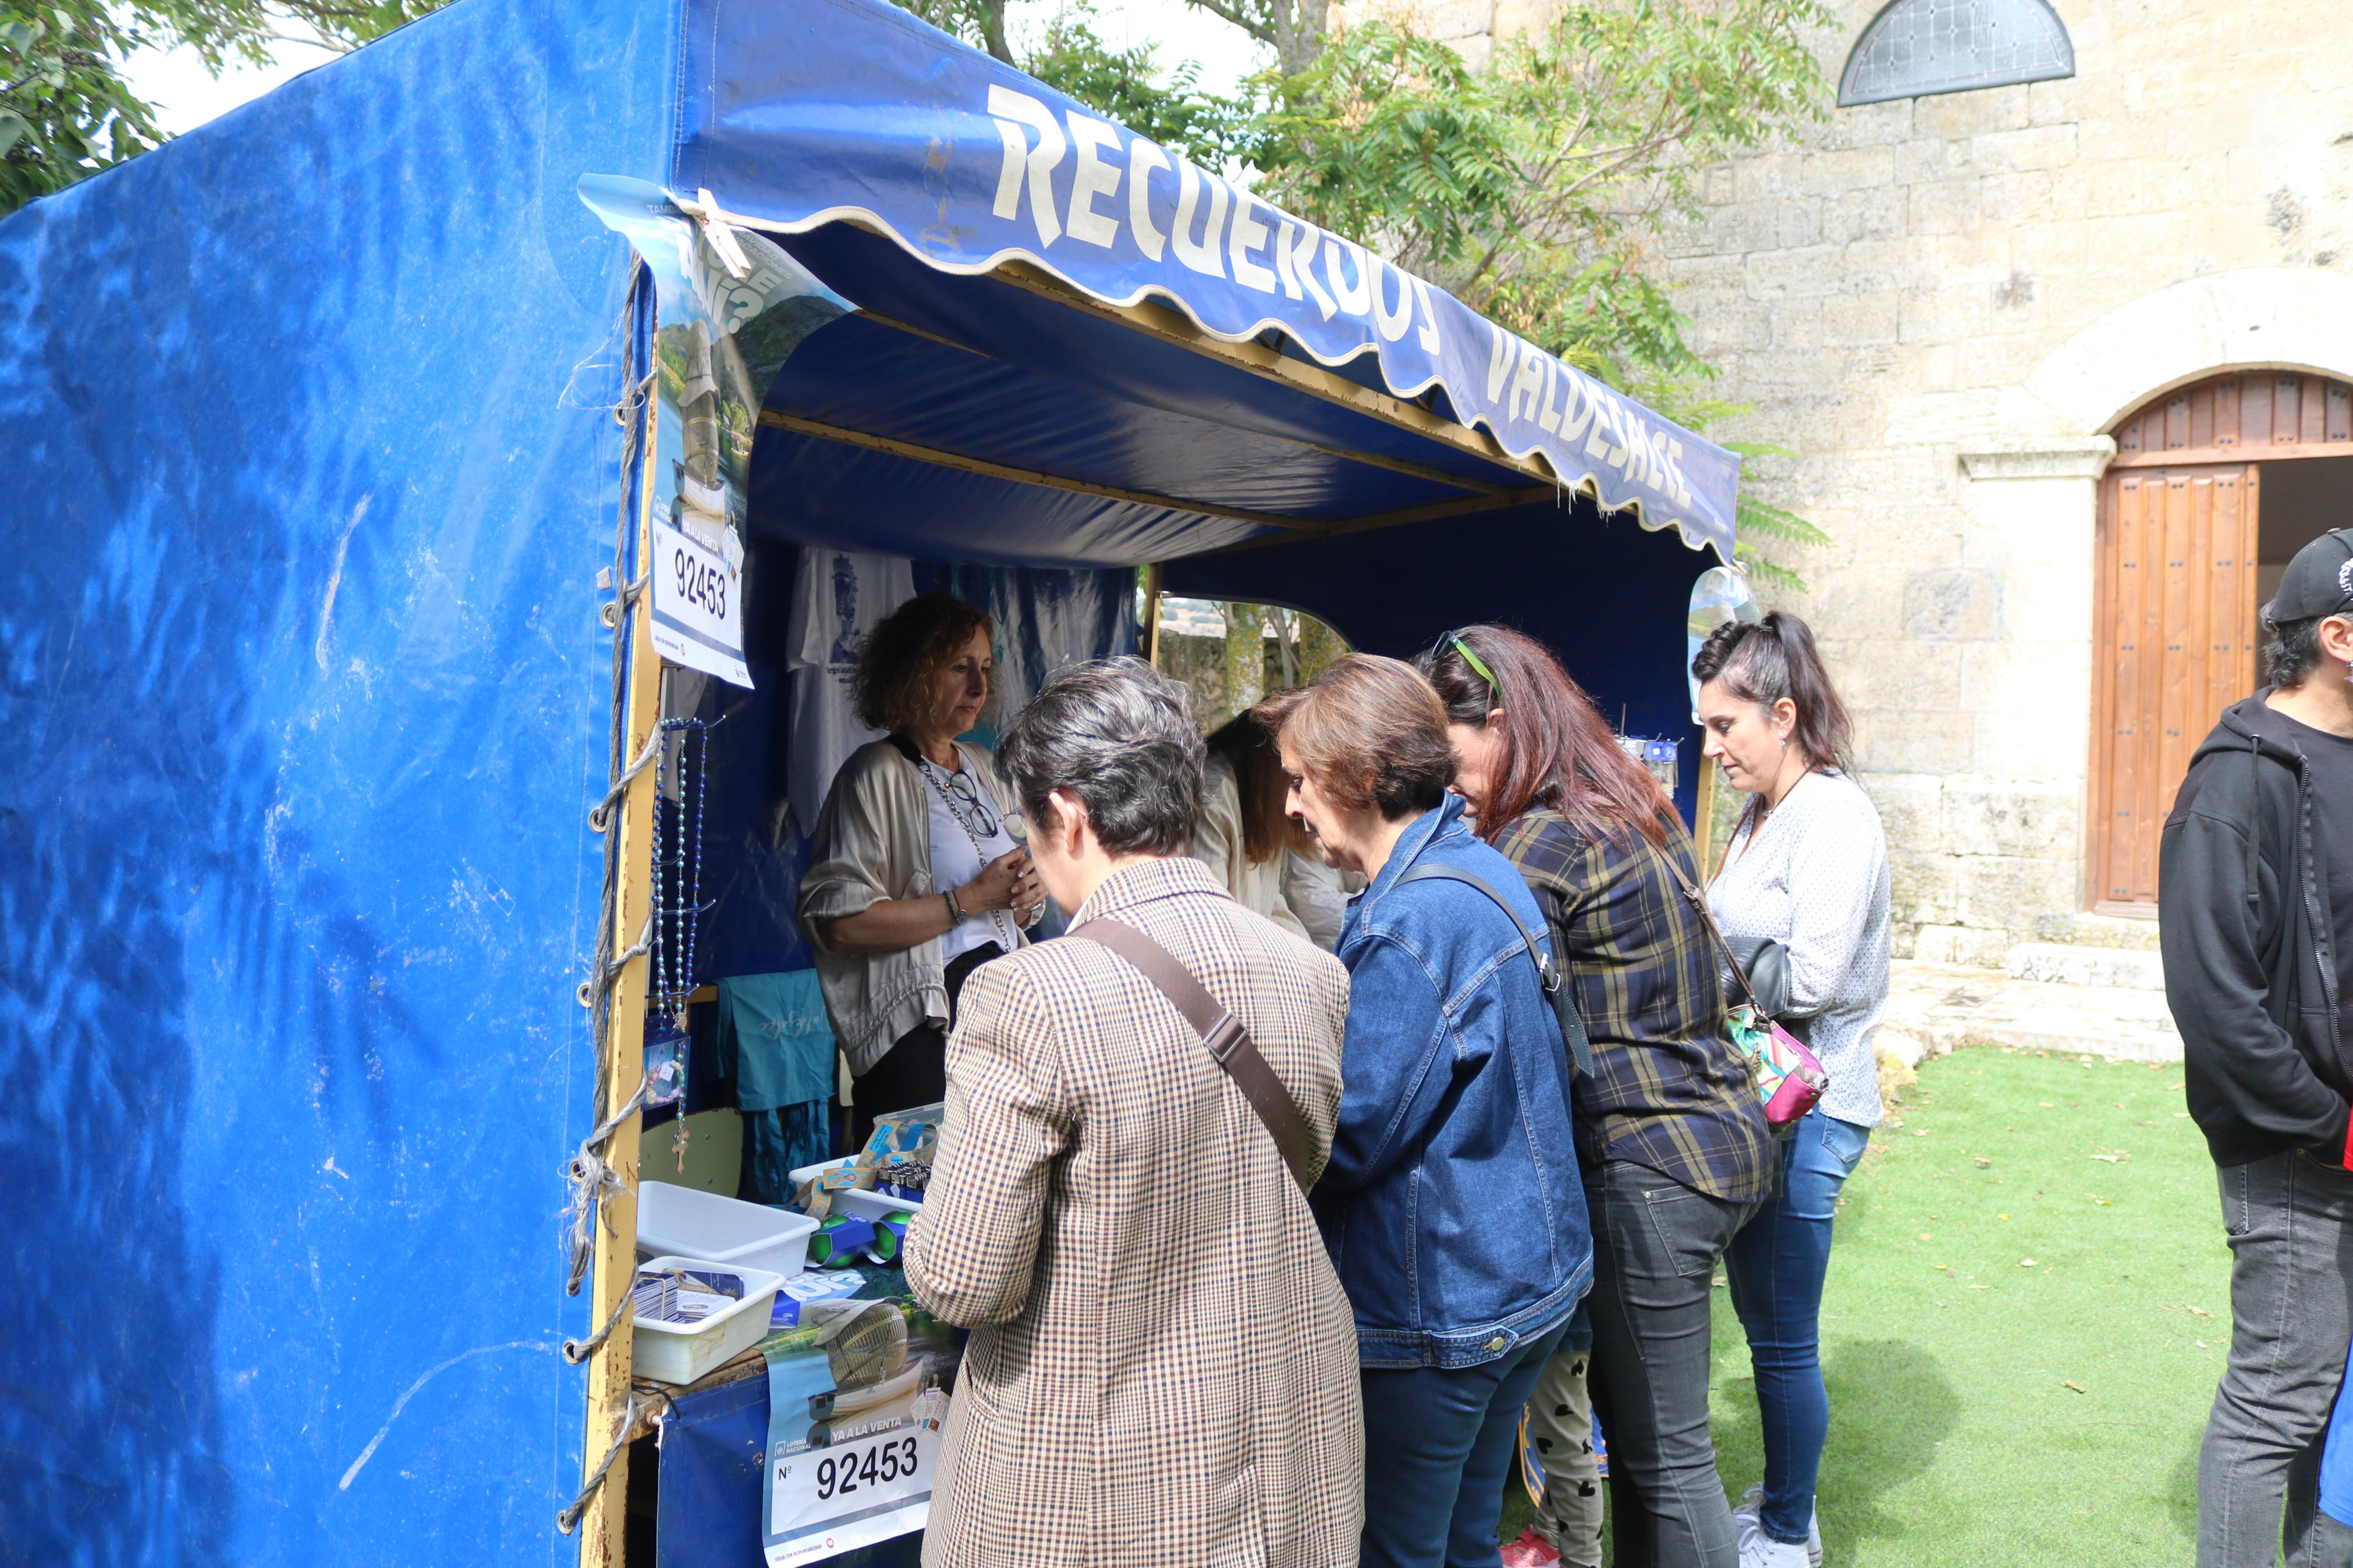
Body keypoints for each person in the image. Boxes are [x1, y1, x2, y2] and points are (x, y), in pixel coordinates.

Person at [904, 657, 1362, 1568]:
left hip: (1102, 1486)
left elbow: (962, 1278)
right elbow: (1286, 1172)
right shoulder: (1309, 972)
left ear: (1066, 815)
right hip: (1288, 1450)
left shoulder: (1026, 995)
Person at [1418, 625, 1771, 1568]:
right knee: (1652, 1450)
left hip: (1649, 1167)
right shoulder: (1628, 803)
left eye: (1451, 760)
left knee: (1664, 1459)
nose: (1448, 786)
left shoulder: (1539, 840)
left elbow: (1493, 1016)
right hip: (1712, 1141)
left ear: (1498, 723)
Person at [1261, 653, 1591, 1568]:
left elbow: (1347, 1134)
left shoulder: (1415, 923)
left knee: (1400, 1552)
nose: (1289, 805)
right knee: (1457, 1543)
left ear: (1359, 777)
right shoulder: (1475, 862)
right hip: (1520, 1283)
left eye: (1298, 779)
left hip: (1445, 1310)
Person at [2162, 527, 2353, 1568]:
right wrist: (2330, 1126)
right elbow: (2213, 1000)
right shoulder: (2235, 779)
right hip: (2294, 1155)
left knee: (2328, 1401)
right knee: (2274, 1401)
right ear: (2338, 635)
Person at [1691, 611, 1891, 1568]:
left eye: (1724, 727)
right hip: (1762, 1098)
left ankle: (1783, 1531)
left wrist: (1696, 969)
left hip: (1810, 1106)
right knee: (1764, 1319)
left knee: (1777, 1335)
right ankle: (1780, 1497)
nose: (1711, 746)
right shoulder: (1764, 808)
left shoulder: (1833, 815)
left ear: (1781, 714)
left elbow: (1808, 980)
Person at [797, 592, 1044, 1151]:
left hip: (998, 1013)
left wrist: (1029, 894)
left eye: (984, 668)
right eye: (960, 667)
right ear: (913, 672)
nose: (979, 687)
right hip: (921, 1029)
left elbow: (1013, 893)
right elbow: (838, 923)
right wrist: (967, 900)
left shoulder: (984, 767)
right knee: (910, 1204)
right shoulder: (874, 773)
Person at [1193, 708, 1354, 948]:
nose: (1295, 810)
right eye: (1297, 781)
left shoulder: (1266, 802)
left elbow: (1270, 906)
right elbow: (1210, 919)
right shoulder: (1216, 795)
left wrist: (1323, 969)